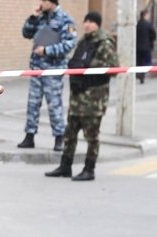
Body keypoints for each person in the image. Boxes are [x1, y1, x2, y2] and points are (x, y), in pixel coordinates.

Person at [47, 10, 116, 182]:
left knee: (91, 136)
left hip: (93, 99)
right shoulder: (84, 41)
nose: (87, 24)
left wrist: (89, 64)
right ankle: (65, 166)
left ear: (97, 24)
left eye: (91, 22)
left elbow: (113, 67)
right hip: (78, 97)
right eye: (85, 21)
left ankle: (89, 169)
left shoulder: (104, 43)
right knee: (69, 134)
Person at [18, 0, 76, 150]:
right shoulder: (40, 18)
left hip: (53, 69)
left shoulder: (65, 20)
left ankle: (59, 138)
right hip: (37, 68)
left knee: (54, 104)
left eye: (43, 1)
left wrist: (47, 50)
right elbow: (26, 33)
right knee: (33, 103)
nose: (41, 3)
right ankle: (29, 136)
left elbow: (69, 44)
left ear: (51, 2)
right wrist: (33, 18)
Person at [135, 14, 156, 83]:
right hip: (146, 47)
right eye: (148, 15)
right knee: (147, 62)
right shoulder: (148, 24)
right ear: (144, 16)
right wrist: (151, 41)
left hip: (138, 47)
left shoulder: (137, 25)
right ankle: (142, 75)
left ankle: (139, 74)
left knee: (139, 62)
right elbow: (154, 34)